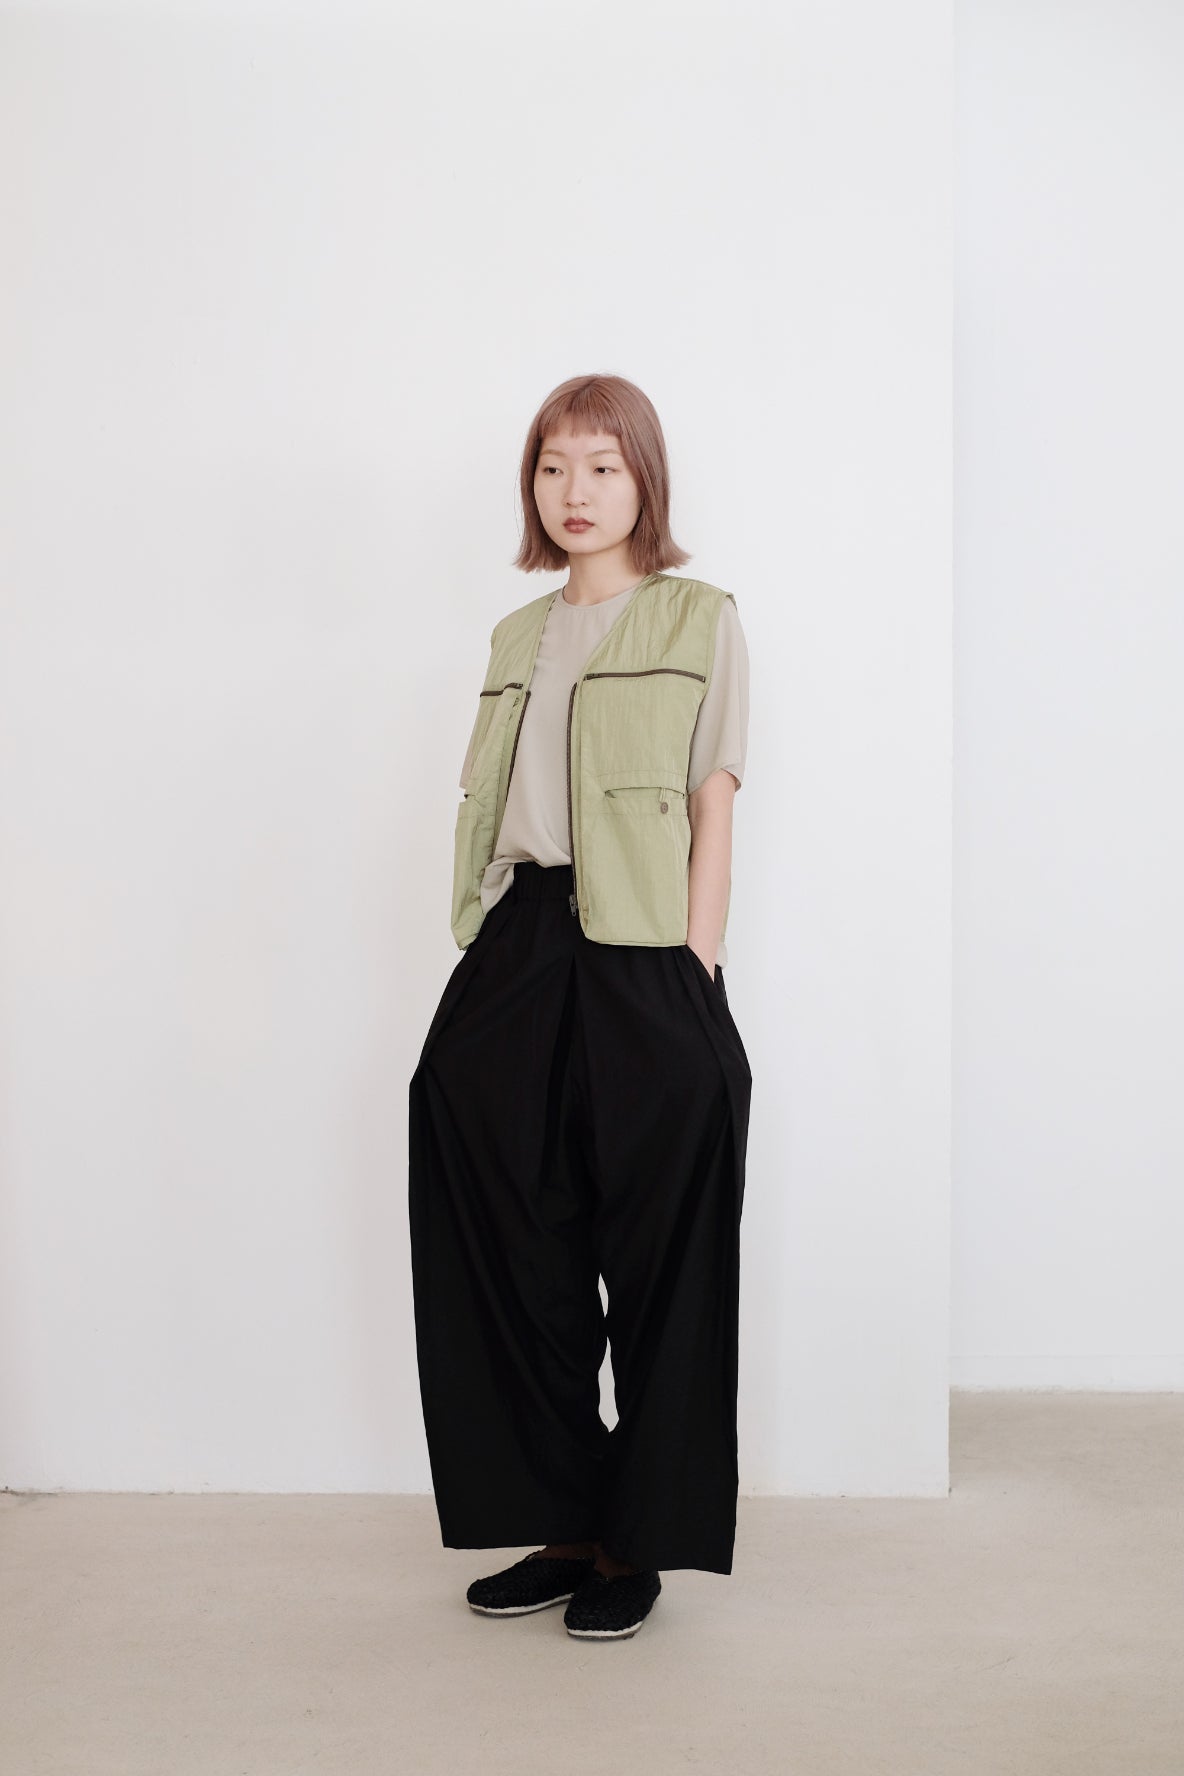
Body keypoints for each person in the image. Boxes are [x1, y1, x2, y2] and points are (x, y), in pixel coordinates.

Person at [408, 372, 752, 1642]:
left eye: (602, 466)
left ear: (642, 480)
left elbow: (712, 801)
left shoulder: (698, 618)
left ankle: (636, 1541)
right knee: (505, 1227)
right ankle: (559, 1519)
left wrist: (694, 971)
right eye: (553, 466)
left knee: (661, 1248)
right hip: (524, 942)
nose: (575, 491)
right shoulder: (516, 636)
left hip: (646, 951)